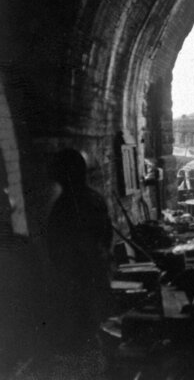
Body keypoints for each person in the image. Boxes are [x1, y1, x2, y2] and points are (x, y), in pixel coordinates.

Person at [46, 149, 112, 351]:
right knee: (96, 325)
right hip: (95, 272)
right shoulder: (95, 198)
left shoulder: (65, 206)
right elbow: (106, 236)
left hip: (77, 276)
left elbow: (56, 244)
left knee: (83, 329)